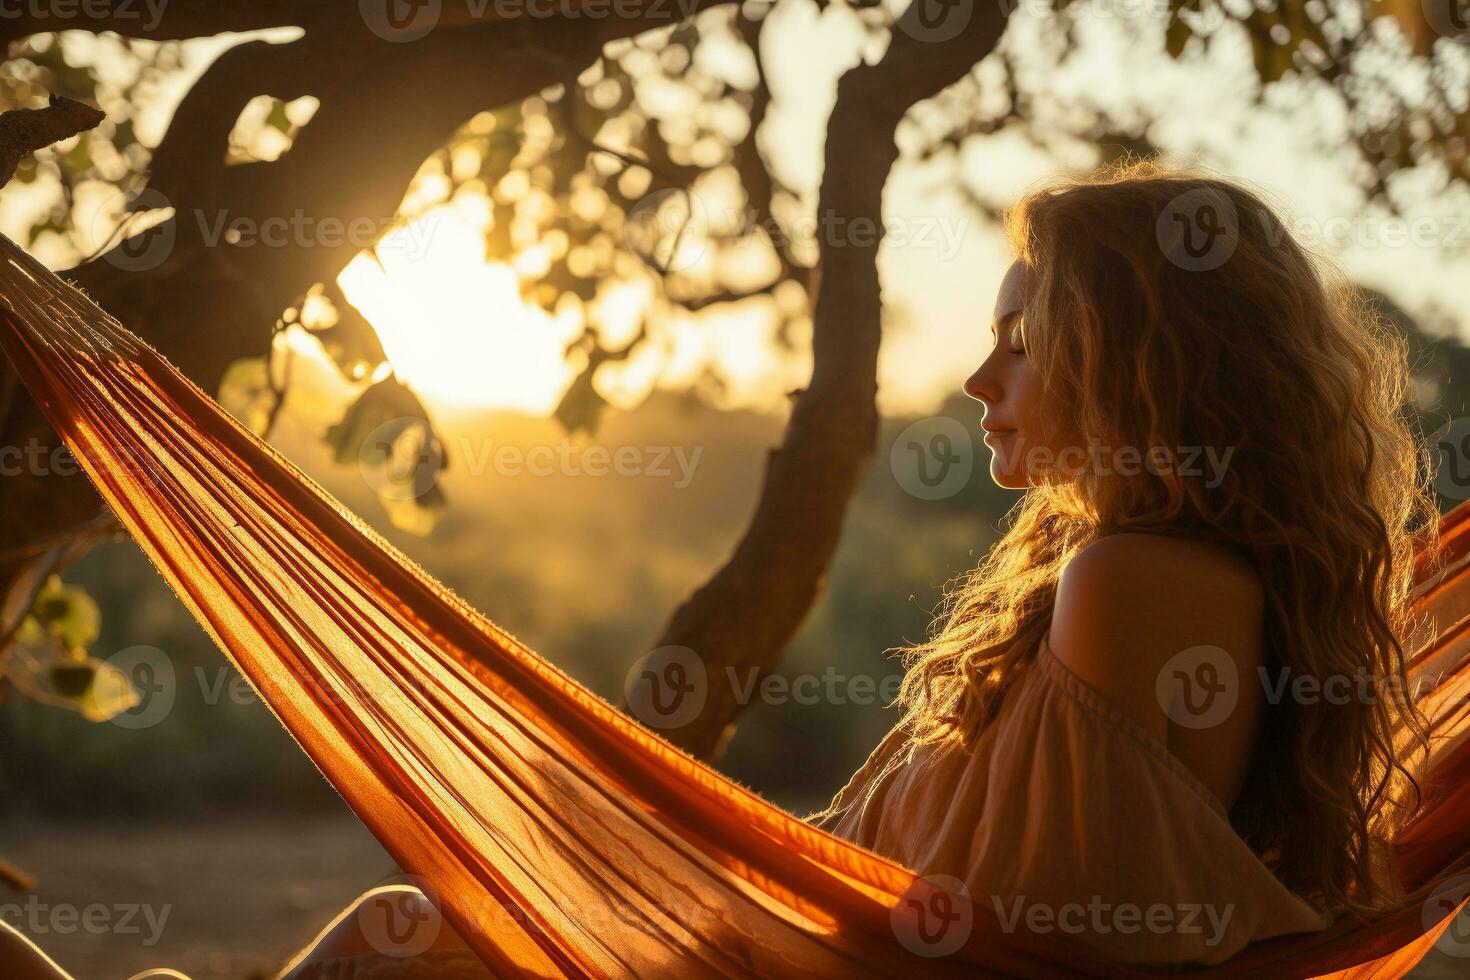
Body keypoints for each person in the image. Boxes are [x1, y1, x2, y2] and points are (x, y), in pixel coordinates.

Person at [3, 159, 1436, 976]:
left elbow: (1064, 940)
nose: (977, 377)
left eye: (1025, 334)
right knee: (414, 930)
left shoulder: (1130, 578)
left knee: (411, 936)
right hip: (782, 945)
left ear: (1133, 356)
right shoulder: (1142, 569)